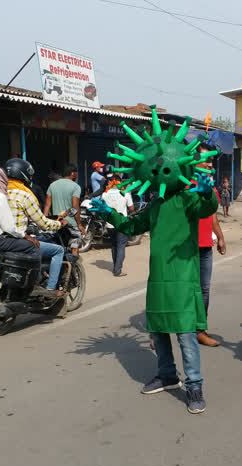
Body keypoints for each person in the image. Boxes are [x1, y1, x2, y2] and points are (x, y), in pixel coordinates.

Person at [89, 109, 219, 414]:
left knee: (186, 335)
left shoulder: (188, 199)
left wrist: (208, 191)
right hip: (158, 279)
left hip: (183, 278)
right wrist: (108, 212)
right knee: (158, 330)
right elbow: (131, 227)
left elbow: (206, 208)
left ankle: (195, 385)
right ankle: (167, 374)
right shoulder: (155, 205)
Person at [5, 158, 69, 297]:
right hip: (20, 240)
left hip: (2, 240)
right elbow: (43, 223)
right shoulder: (25, 195)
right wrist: (59, 223)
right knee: (58, 250)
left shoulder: (0, 193)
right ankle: (51, 288)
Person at [193, 151, 227, 347]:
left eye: (211, 162)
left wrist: (220, 237)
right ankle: (161, 333)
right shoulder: (184, 186)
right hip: (186, 247)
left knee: (204, 289)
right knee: (183, 289)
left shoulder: (210, 188)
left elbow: (212, 215)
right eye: (205, 161)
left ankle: (200, 329)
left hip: (206, 246)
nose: (208, 165)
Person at [44, 164, 85, 257]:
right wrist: (79, 224)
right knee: (74, 246)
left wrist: (45, 222)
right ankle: (74, 267)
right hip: (71, 224)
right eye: (76, 173)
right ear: (72, 174)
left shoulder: (52, 185)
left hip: (57, 223)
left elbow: (47, 206)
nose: (77, 175)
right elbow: (75, 207)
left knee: (57, 247)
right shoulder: (75, 186)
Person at [101, 175, 135, 277]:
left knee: (114, 245)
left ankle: (116, 266)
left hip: (110, 224)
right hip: (122, 223)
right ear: (120, 182)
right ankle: (117, 270)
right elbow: (132, 208)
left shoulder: (104, 194)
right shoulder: (125, 193)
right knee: (121, 246)